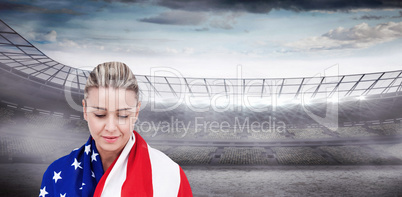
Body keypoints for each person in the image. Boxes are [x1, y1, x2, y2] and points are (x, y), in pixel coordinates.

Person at [39, 62, 193, 197]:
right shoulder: (57, 173)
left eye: (123, 115)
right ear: (85, 110)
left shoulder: (170, 176)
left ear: (136, 112)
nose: (111, 127)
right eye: (100, 114)